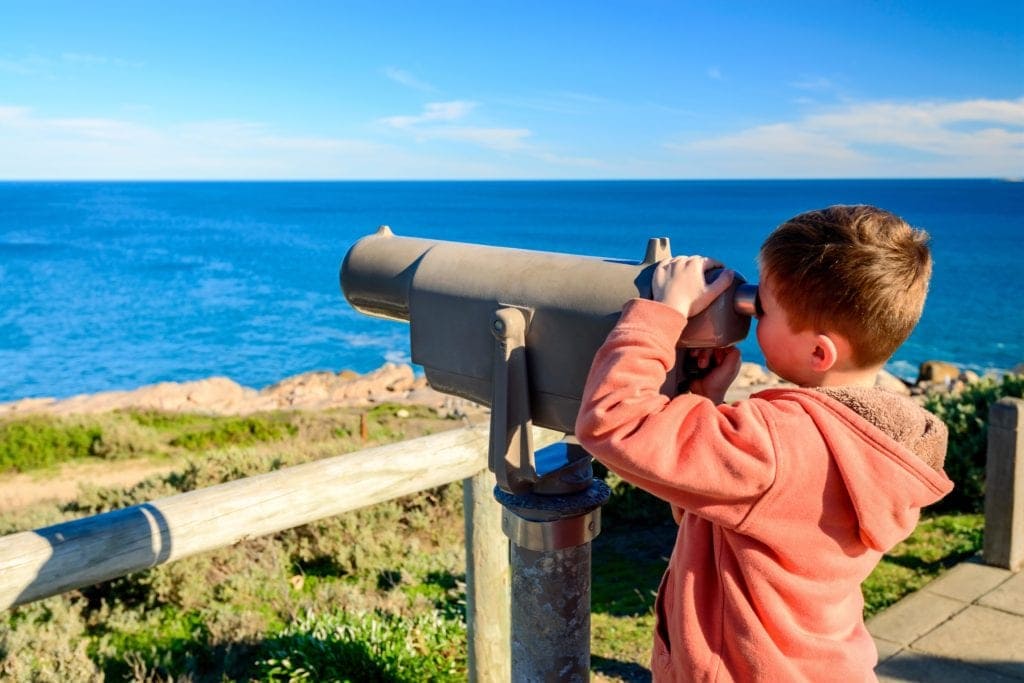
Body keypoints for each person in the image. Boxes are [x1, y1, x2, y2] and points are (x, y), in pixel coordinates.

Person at [575, 205, 953, 682]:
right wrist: (704, 401)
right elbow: (717, 504)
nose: (749, 314)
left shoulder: (775, 444)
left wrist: (660, 316)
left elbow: (612, 423)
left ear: (819, 352)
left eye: (763, 309)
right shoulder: (876, 443)